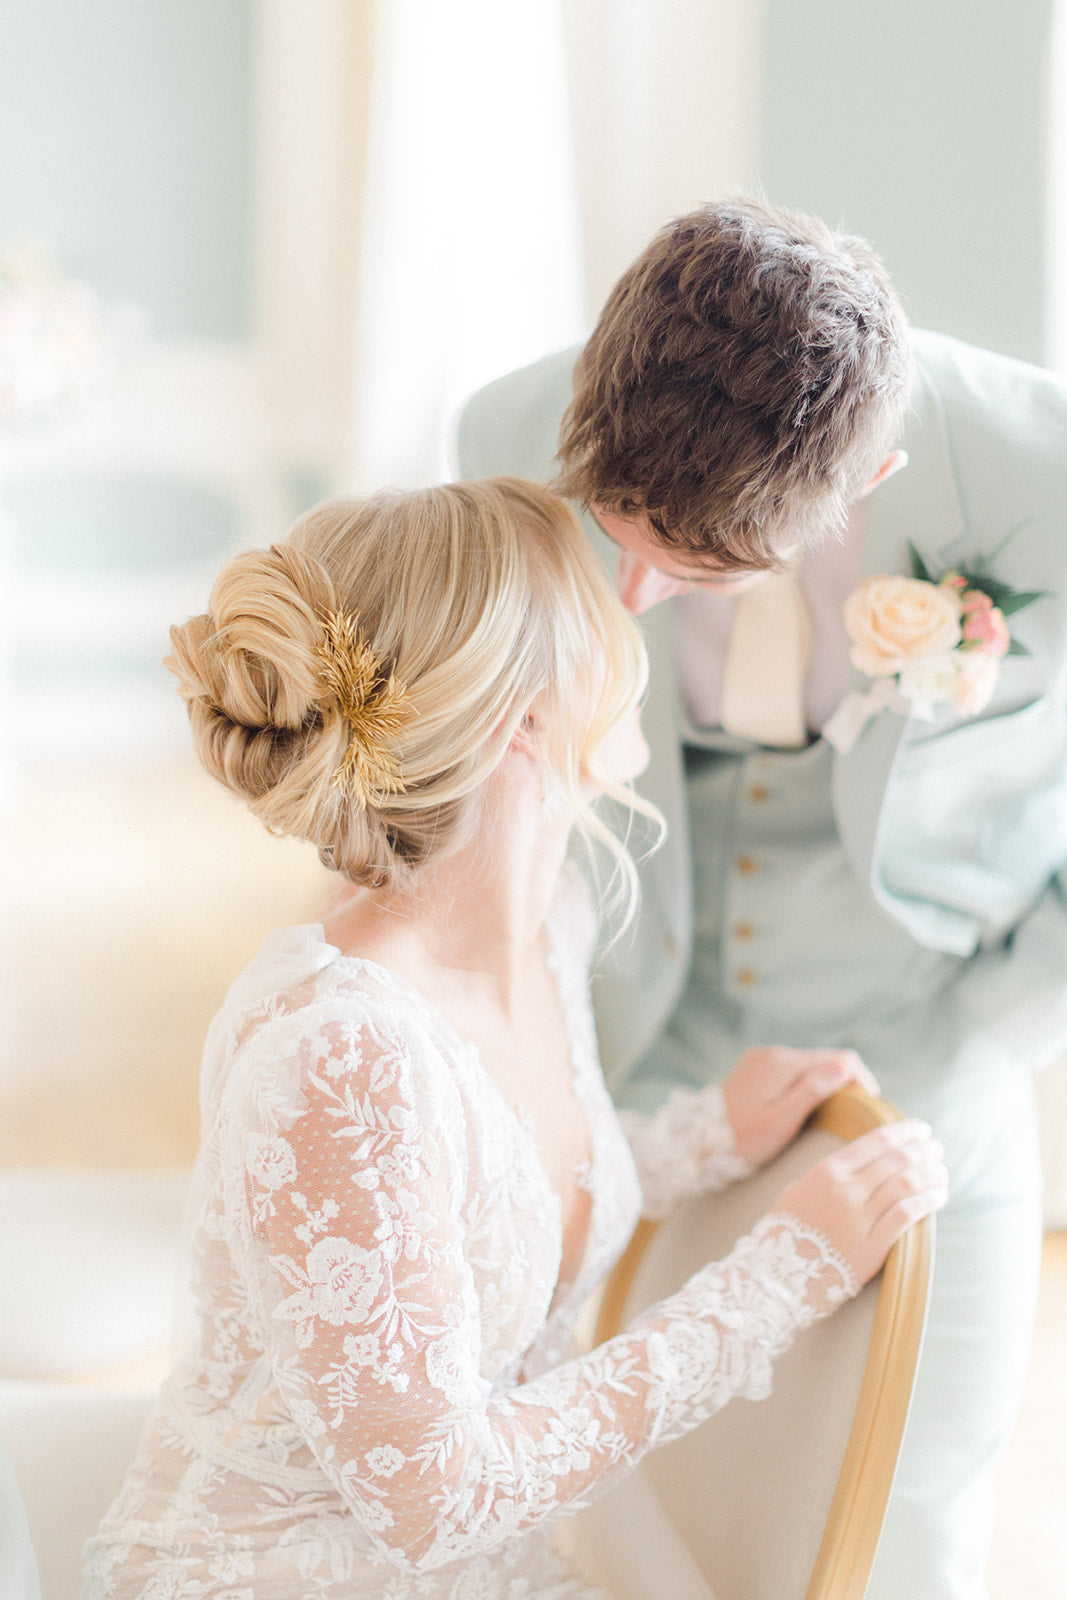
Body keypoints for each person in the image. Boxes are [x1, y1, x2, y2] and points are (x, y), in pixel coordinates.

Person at [81, 477, 944, 1600]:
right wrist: (781, 1276)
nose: (632, 625)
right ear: (522, 723)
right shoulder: (339, 1058)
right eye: (594, 609)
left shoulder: (547, 928)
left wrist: (697, 1138)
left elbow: (479, 1205)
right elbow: (436, 1498)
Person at [457, 200, 1067, 1600]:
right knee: (606, 1487)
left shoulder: (1046, 473)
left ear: (875, 475)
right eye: (618, 538)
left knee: (909, 1505)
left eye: (692, 571)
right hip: (619, 1024)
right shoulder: (501, 436)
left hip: (928, 1033)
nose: (630, 592)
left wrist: (985, 1029)